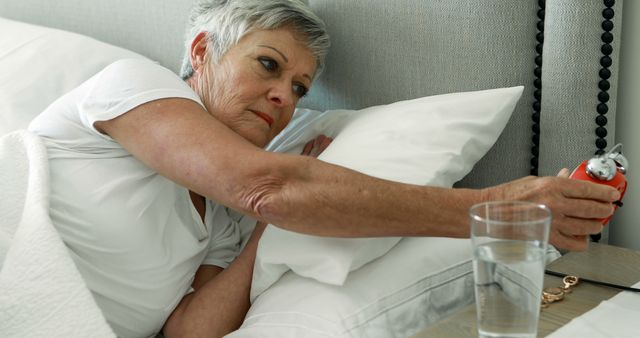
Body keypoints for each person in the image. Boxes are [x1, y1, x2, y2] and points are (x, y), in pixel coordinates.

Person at [27, 0, 620, 337]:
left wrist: (268, 231)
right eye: (267, 64)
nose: (284, 96)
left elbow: (188, 333)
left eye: (299, 86)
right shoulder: (133, 86)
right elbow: (268, 185)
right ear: (203, 53)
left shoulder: (227, 223)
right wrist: (495, 211)